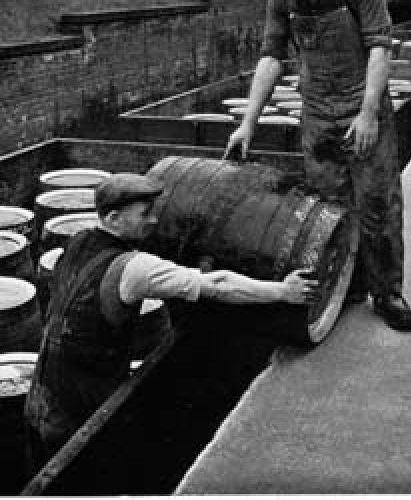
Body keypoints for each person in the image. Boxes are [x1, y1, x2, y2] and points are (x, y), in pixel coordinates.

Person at [24, 172, 320, 467]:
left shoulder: (78, 240)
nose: (154, 220)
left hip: (43, 393)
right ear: (114, 218)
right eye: (144, 214)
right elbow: (217, 285)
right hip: (85, 401)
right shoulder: (135, 268)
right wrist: (281, 290)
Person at [223, 0, 411, 333]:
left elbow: (380, 48)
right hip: (317, 115)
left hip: (361, 109)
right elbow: (271, 59)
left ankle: (387, 292)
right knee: (329, 206)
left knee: (378, 204)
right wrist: (247, 124)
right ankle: (346, 285)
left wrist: (368, 115)